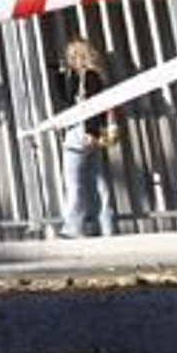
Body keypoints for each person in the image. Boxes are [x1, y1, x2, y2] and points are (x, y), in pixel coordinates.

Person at [54, 36, 121, 239]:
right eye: (69, 56)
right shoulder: (89, 76)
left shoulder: (90, 76)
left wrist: (90, 132)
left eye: (74, 55)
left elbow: (93, 107)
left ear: (82, 55)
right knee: (97, 180)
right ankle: (107, 225)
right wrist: (59, 76)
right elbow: (67, 100)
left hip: (80, 134)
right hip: (90, 133)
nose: (71, 60)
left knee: (74, 182)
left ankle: (72, 227)